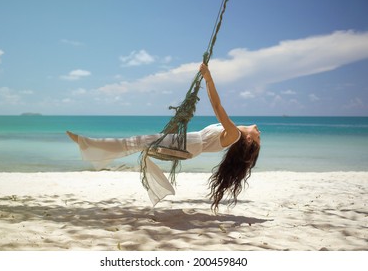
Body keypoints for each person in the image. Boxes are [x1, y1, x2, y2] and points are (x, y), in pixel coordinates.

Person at [67, 63, 261, 212]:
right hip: (190, 144)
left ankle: (91, 146)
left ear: (249, 140)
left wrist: (209, 79)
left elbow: (218, 107)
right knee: (140, 142)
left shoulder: (234, 134)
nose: (258, 131)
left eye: (258, 137)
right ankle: (94, 148)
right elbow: (215, 104)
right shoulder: (232, 133)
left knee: (139, 141)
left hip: (191, 144)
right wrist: (206, 79)